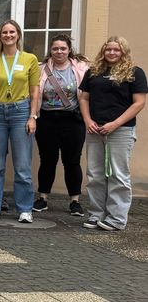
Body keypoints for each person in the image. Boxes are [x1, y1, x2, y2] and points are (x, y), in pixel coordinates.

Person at [79, 37, 146, 231]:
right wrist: (88, 120)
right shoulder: (94, 72)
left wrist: (114, 124)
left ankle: (116, 218)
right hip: (95, 129)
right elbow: (84, 98)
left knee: (118, 174)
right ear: (103, 51)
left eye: (116, 50)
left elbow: (139, 103)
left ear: (123, 52)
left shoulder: (135, 73)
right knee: (95, 174)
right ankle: (96, 214)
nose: (112, 53)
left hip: (121, 130)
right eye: (108, 49)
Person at [0, 19, 41, 223]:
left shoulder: (29, 59)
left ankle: (25, 208)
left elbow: (35, 91)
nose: (8, 35)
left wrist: (33, 116)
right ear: (0, 36)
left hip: (20, 111)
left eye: (12, 32)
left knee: (22, 165)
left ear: (18, 35)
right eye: (4, 32)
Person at [34, 34, 89, 216]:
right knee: (47, 160)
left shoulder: (81, 68)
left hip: (72, 120)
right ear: (50, 50)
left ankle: (74, 200)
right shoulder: (41, 69)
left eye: (63, 48)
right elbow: (34, 94)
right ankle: (43, 197)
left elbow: (88, 92)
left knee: (72, 161)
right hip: (47, 120)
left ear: (69, 50)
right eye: (55, 48)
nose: (59, 52)